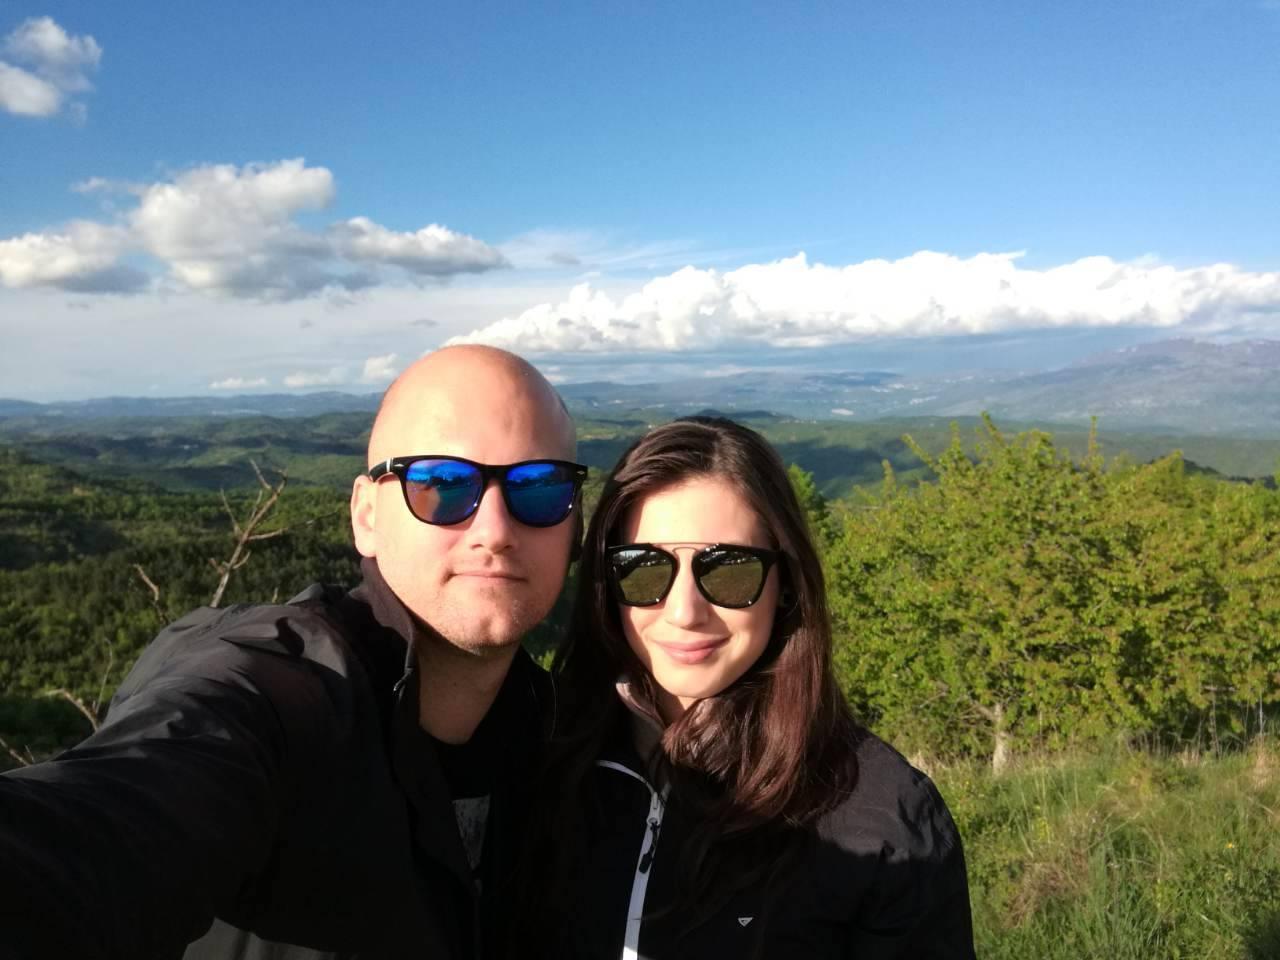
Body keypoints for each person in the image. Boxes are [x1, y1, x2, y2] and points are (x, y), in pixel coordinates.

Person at [0, 346, 587, 960]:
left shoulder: (569, 744)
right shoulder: (279, 692)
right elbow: (108, 818)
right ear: (366, 516)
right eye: (441, 483)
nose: (495, 530)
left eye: (540, 488)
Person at [521, 416, 975, 959]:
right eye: (643, 569)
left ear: (785, 584)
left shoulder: (881, 816)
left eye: (728, 570)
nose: (684, 612)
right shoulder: (536, 754)